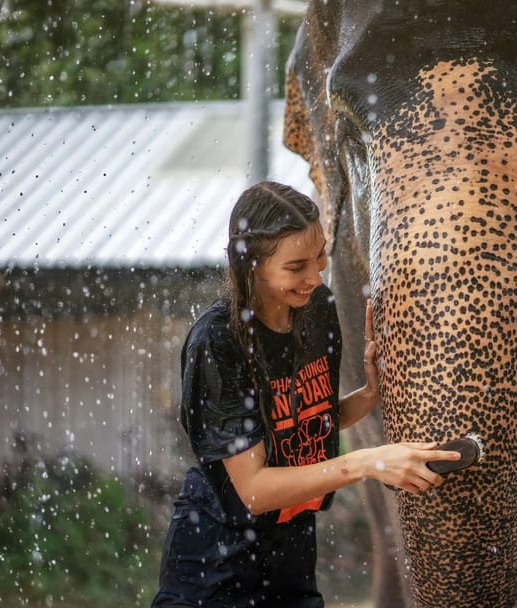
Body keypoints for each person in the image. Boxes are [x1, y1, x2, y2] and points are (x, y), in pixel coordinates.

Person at [151, 181, 461, 608]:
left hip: (291, 553)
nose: (315, 277)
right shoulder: (218, 342)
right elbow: (254, 488)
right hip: (216, 565)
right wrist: (367, 462)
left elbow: (302, 422)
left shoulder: (317, 309)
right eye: (297, 266)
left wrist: (369, 395)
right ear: (252, 266)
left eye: (320, 257)